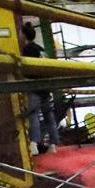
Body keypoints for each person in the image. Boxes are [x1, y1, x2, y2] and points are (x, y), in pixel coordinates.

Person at [20, 21, 58, 153]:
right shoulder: (41, 49)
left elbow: (27, 68)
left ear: (24, 35)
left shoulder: (27, 49)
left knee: (34, 114)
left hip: (34, 85)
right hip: (45, 86)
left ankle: (34, 144)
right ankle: (53, 144)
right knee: (49, 115)